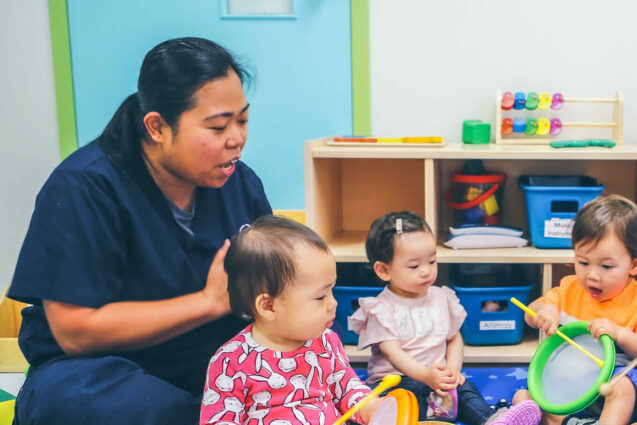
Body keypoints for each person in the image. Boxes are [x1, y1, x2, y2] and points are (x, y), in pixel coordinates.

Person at [8, 37, 271, 424]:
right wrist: (208, 302)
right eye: (217, 127)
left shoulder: (240, 183)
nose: (237, 139)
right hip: (105, 372)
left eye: (243, 120)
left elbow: (278, 279)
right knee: (75, 401)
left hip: (213, 365)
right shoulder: (83, 187)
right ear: (157, 127)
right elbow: (74, 333)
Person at [347, 211, 541, 425]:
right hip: (397, 380)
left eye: (431, 261)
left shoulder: (441, 297)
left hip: (438, 382)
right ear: (384, 270)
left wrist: (452, 371)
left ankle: (492, 420)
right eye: (414, 266)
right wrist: (424, 375)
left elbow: (454, 337)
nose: (426, 271)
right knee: (385, 402)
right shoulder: (381, 308)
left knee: (466, 389)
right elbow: (393, 353)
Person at [200, 215, 381, 424]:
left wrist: (370, 407)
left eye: (332, 290)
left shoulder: (326, 341)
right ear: (268, 306)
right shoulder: (229, 362)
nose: (333, 303)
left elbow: (347, 387)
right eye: (321, 296)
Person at [515, 195, 637, 425]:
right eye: (583, 262)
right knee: (522, 397)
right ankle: (566, 421)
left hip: (608, 387)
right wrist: (543, 311)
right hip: (566, 379)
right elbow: (531, 313)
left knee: (623, 385)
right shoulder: (569, 287)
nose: (592, 275)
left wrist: (620, 334)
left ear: (635, 264)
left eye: (606, 266)